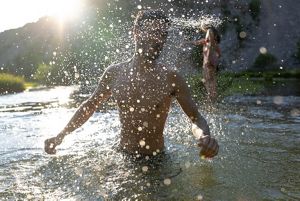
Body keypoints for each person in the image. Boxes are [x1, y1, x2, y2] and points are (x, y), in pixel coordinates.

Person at [44, 10, 219, 159]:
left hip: (157, 160)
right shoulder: (115, 73)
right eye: (152, 32)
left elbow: (196, 118)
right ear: (136, 32)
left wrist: (204, 136)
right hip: (123, 157)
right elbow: (89, 106)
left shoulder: (171, 77)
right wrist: (61, 136)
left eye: (162, 34)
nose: (157, 39)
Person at [183, 22, 221, 102]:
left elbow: (212, 44)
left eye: (202, 27)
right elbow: (198, 42)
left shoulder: (209, 31)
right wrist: (186, 43)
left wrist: (209, 56)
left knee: (208, 78)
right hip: (211, 57)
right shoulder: (210, 35)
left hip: (209, 58)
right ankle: (212, 96)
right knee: (210, 78)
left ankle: (211, 97)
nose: (201, 28)